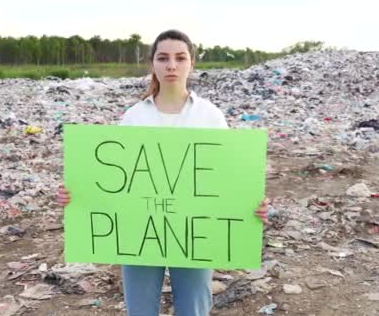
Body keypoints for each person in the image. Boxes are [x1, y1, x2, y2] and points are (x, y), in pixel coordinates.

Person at [57, 29, 269, 316]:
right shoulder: (134, 116)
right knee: (140, 310)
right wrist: (79, 196)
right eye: (163, 57)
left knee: (193, 310)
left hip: (197, 232)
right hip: (138, 231)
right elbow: (115, 179)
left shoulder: (210, 116)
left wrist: (251, 206)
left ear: (191, 63)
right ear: (152, 64)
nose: (171, 65)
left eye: (180, 58)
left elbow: (227, 176)